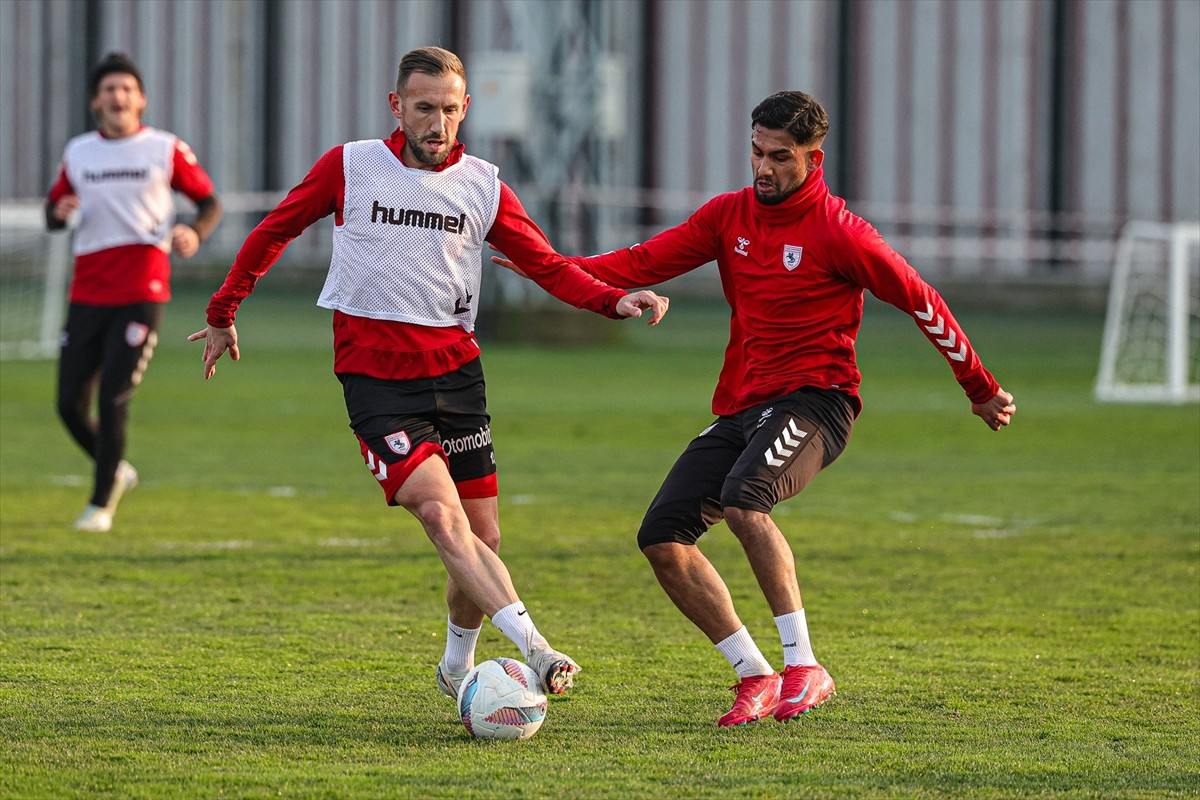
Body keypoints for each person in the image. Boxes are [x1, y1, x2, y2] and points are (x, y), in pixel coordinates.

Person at [494, 90, 1016, 726]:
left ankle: (805, 664)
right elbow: (639, 261)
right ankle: (755, 673)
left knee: (746, 500)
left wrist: (979, 387)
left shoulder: (841, 233)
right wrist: (552, 269)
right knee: (661, 537)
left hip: (819, 401)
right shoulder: (729, 216)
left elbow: (922, 300)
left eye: (780, 156)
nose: (763, 167)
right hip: (745, 406)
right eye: (757, 152)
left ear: (813, 159)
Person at [188, 46, 668, 698]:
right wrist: (223, 311)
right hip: (377, 382)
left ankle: (455, 667)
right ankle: (537, 648)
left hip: (458, 376)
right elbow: (274, 230)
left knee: (485, 535)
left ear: (465, 108)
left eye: (448, 109)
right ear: (397, 106)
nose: (436, 123)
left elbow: (546, 264)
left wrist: (613, 300)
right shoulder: (351, 166)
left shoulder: (485, 185)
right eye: (422, 108)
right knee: (443, 518)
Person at [45, 51, 222, 533]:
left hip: (141, 291)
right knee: (68, 405)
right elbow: (53, 212)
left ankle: (100, 505)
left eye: (126, 88)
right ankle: (117, 469)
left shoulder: (163, 148)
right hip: (87, 292)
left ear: (141, 99)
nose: (118, 96)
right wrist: (58, 212)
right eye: (109, 89)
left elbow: (209, 203)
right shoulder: (79, 152)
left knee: (114, 399)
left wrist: (194, 233)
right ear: (95, 101)